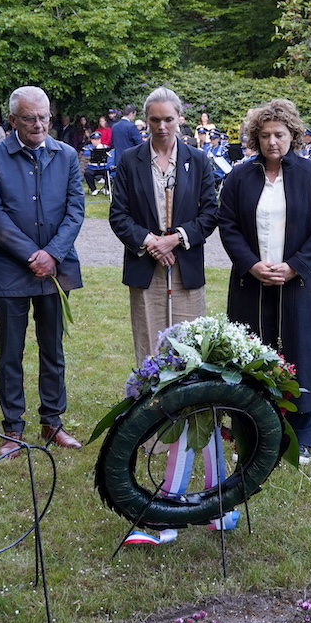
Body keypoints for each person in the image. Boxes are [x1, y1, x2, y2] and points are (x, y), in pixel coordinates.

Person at [109, 87, 223, 535]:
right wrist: (149, 242)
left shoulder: (200, 160)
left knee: (192, 352)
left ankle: (194, 430)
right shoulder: (129, 161)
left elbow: (210, 213)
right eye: (154, 120)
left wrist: (177, 238)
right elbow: (118, 215)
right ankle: (155, 432)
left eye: (168, 120)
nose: (161, 127)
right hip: (146, 267)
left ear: (181, 119)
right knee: (152, 348)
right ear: (146, 121)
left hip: (186, 264)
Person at [217, 99, 311, 464]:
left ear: (293, 136)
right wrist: (251, 265)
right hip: (251, 284)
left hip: (301, 283)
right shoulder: (239, 177)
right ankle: (249, 436)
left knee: (303, 356)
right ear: (256, 137)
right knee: (251, 359)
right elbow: (229, 226)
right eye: (266, 135)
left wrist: (295, 266)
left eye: (280, 135)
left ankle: (300, 439)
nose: (273, 142)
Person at [0, 86, 86, 454]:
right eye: (30, 118)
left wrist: (52, 254)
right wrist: (32, 255)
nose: (39, 124)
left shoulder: (67, 155)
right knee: (11, 351)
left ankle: (52, 423)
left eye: (44, 117)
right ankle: (13, 428)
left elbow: (75, 210)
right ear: (12, 120)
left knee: (52, 349)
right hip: (12, 271)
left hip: (56, 269)